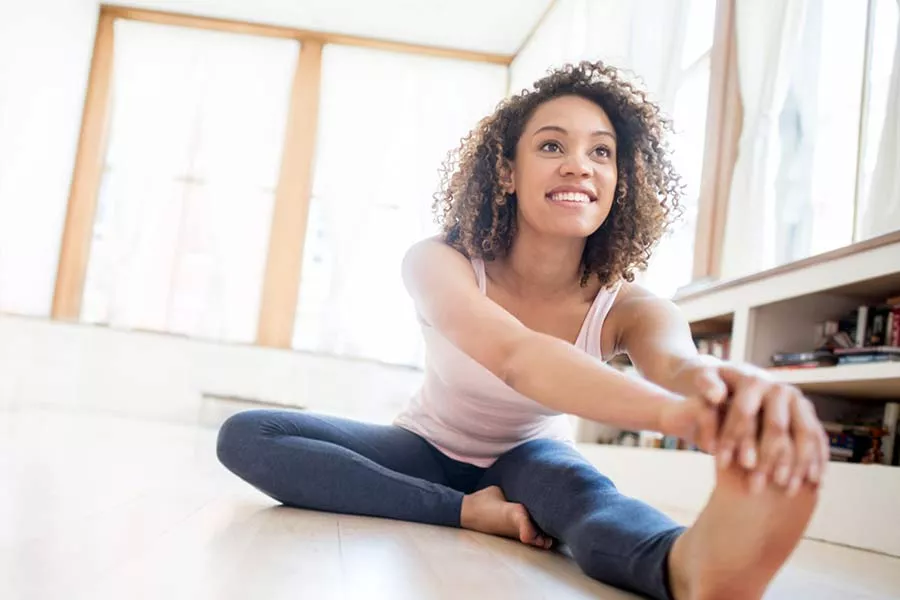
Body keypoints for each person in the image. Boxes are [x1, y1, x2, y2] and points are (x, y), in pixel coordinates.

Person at [217, 61, 829, 600]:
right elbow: (515, 355)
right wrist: (677, 418)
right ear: (507, 172)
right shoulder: (441, 263)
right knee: (249, 435)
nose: (578, 166)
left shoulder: (630, 307)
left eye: (601, 152)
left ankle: (685, 567)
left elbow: (677, 364)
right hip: (425, 447)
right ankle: (464, 511)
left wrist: (727, 391)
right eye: (551, 146)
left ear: (619, 183)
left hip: (528, 457)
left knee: (587, 498)